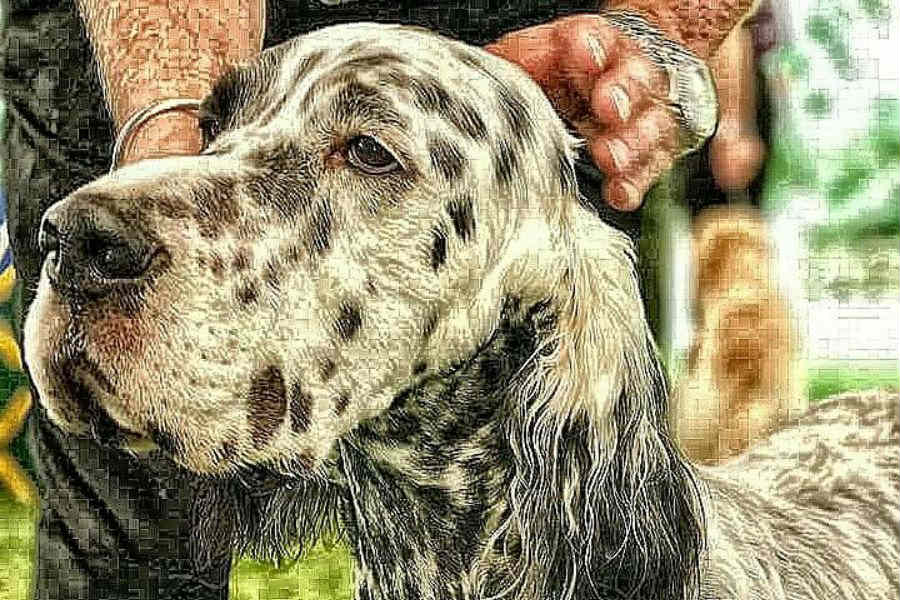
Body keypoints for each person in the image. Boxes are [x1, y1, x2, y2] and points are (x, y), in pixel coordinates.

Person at [0, 0, 750, 597]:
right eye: (220, 126)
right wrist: (167, 144)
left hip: (555, 42)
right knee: (126, 539)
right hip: (132, 31)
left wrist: (644, 42)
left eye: (367, 153)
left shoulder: (576, 285)